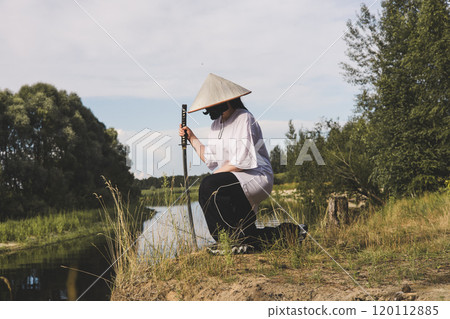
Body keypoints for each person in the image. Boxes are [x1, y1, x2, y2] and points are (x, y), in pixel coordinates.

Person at [179, 73, 307, 252]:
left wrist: (212, 181)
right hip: (233, 180)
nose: (208, 111)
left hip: (256, 177)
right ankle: (293, 233)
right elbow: (210, 159)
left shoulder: (244, 118)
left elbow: (242, 161)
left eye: (210, 105)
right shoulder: (216, 125)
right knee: (247, 234)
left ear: (225, 101)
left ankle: (227, 242)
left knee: (209, 185)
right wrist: (191, 137)